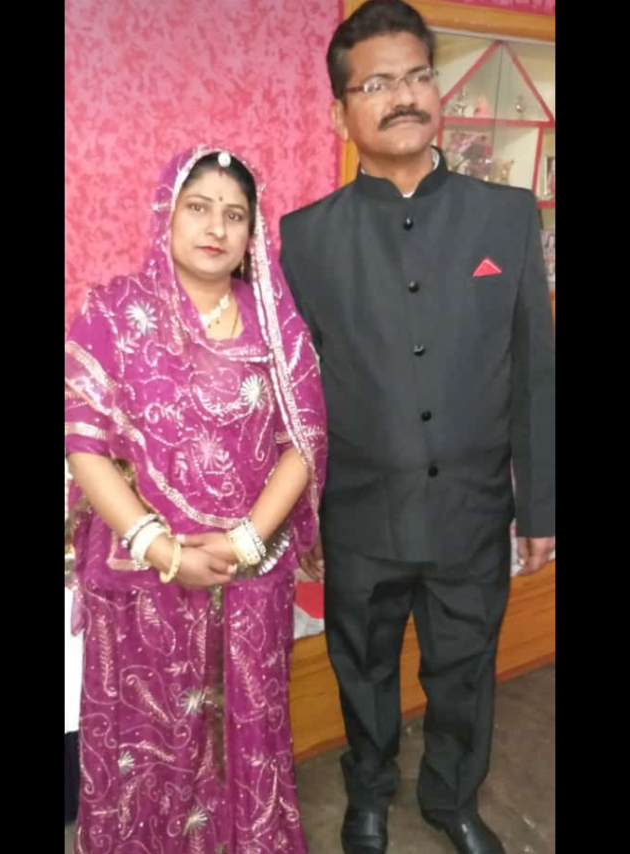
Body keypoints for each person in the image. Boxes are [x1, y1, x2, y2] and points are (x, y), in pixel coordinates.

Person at [279, 3, 555, 853]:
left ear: (437, 91)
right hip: (359, 514)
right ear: (341, 114)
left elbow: (535, 370)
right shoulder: (302, 240)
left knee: (465, 671)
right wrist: (300, 515)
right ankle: (367, 794)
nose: (402, 95)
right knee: (361, 671)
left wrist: (540, 506)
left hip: (473, 510)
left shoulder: (507, 217)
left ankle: (452, 800)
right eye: (376, 84)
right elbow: (292, 394)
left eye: (417, 75)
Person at [65, 144, 327, 853]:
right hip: (142, 577)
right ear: (167, 214)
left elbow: (302, 443)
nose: (216, 227)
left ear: (252, 233)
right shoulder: (114, 312)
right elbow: (83, 443)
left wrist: (246, 540)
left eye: (235, 215)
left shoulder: (276, 326)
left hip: (249, 575)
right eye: (199, 207)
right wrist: (160, 548)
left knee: (245, 730)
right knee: (145, 739)